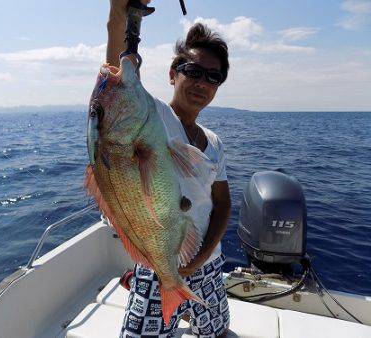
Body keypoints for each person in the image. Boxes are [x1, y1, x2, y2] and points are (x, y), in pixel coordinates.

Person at [107, 1, 232, 337]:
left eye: (213, 76)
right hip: (157, 266)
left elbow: (222, 204)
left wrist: (200, 259)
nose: (202, 82)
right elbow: (117, 79)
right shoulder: (152, 116)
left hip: (207, 265)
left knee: (218, 330)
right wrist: (119, 17)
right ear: (173, 74)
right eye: (192, 71)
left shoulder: (214, 142)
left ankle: (188, 311)